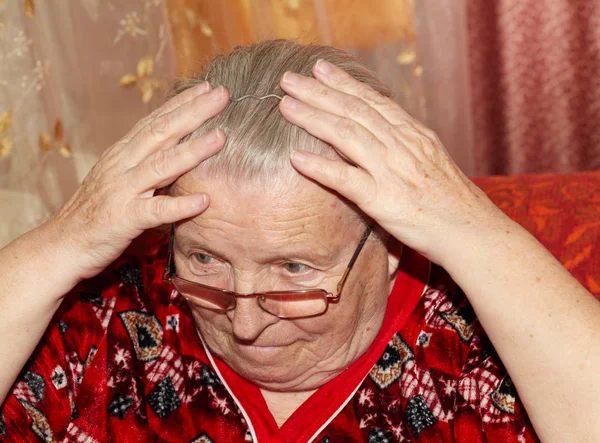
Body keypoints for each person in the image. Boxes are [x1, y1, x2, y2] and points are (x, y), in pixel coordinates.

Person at [0, 40, 598, 443]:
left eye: (293, 268)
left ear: (391, 245)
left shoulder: (483, 342)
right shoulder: (108, 317)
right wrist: (63, 241)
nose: (245, 324)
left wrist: (479, 234)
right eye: (204, 258)